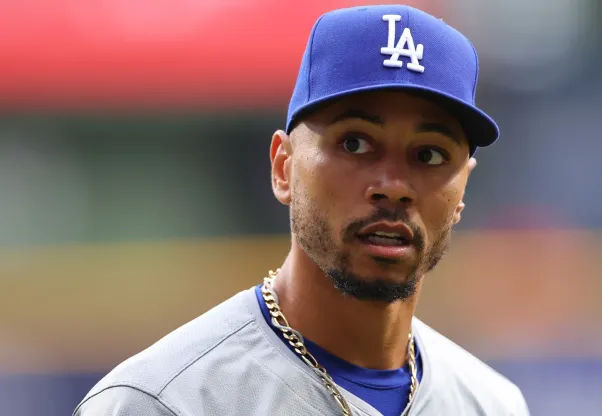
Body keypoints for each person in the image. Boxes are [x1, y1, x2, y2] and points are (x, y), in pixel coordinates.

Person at [74, 4, 529, 416]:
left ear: (462, 189)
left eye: (429, 154)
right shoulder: (161, 402)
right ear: (283, 167)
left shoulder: (492, 403)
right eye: (355, 143)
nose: (393, 186)